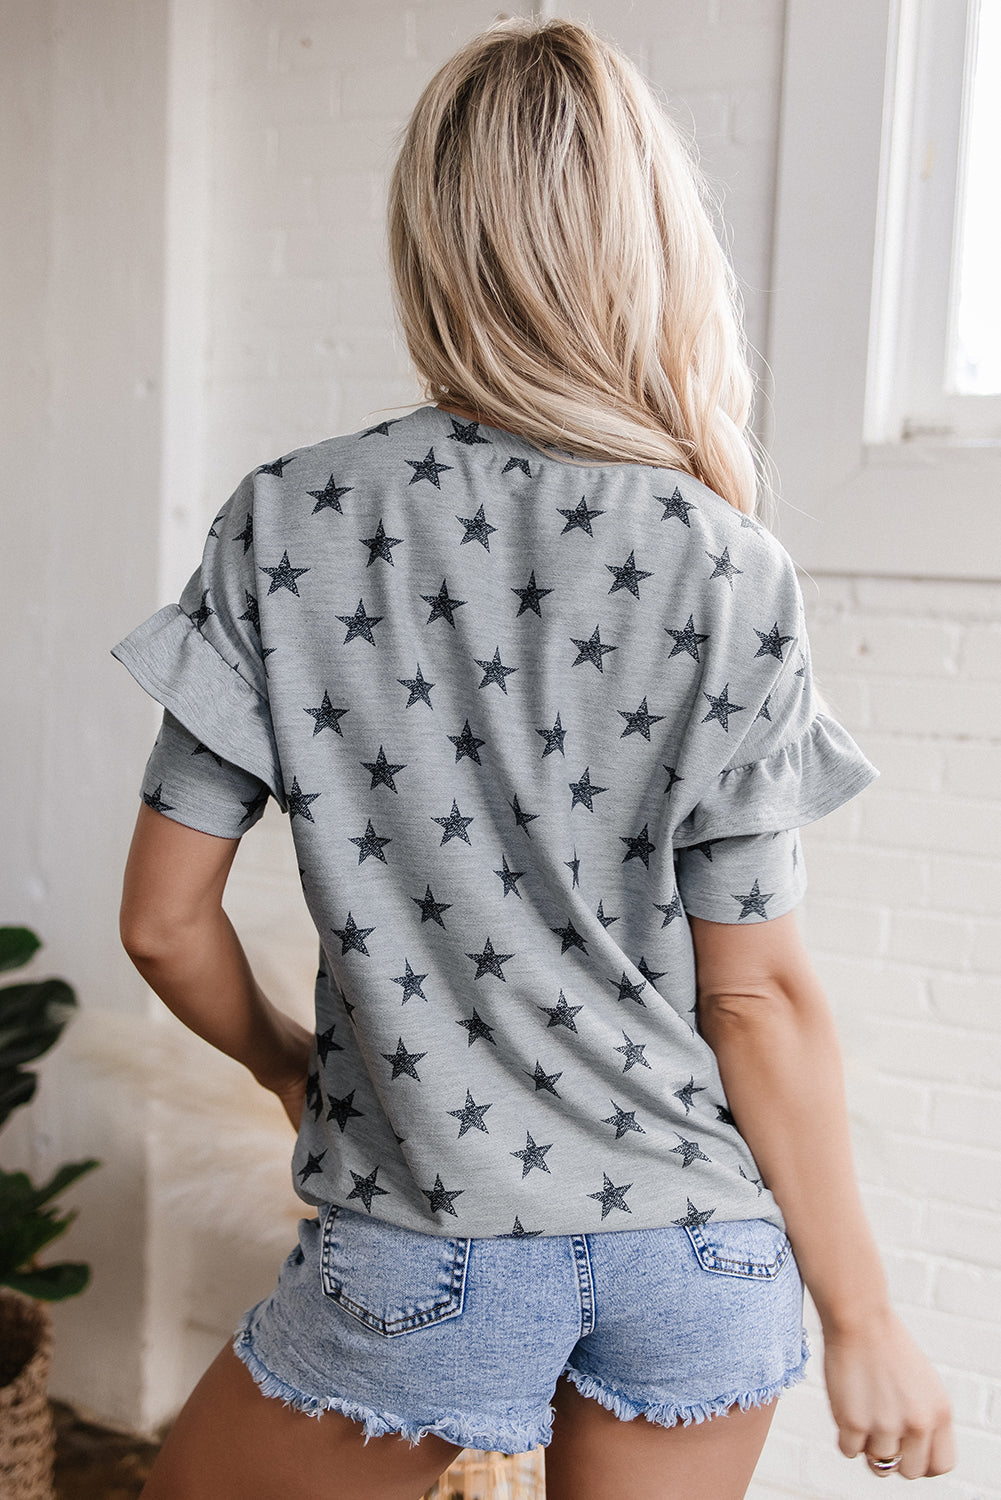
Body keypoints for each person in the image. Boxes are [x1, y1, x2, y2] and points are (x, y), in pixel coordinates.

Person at [115, 18, 955, 1499]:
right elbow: (755, 997)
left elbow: (162, 924)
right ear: (652, 249)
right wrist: (864, 1318)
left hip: (422, 1238)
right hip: (695, 1249)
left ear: (428, 243)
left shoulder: (288, 521)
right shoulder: (728, 563)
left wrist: (287, 1066)